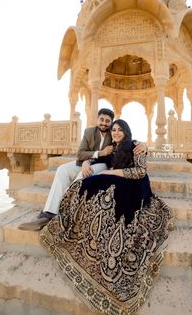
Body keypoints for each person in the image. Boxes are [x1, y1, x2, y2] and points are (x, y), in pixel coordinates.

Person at [39, 119, 172, 314]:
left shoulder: (136, 146)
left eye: (120, 130)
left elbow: (140, 171)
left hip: (135, 182)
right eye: (114, 130)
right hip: (117, 177)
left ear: (126, 131)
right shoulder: (113, 148)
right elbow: (97, 161)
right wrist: (87, 163)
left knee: (118, 200)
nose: (116, 132)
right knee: (88, 187)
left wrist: (113, 171)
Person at [19, 109, 146, 231]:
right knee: (62, 170)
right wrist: (88, 160)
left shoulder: (120, 139)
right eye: (101, 120)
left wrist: (144, 145)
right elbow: (80, 154)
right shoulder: (90, 132)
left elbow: (133, 149)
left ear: (112, 123)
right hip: (90, 161)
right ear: (97, 120)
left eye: (108, 121)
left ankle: (65, 209)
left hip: (105, 167)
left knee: (83, 175)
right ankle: (49, 213)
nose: (104, 123)